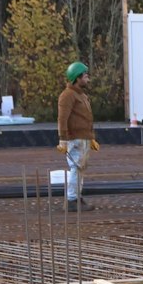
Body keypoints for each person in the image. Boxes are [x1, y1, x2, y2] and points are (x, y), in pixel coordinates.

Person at [57, 62, 97, 210]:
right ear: (76, 77)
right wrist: (63, 139)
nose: (87, 77)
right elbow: (62, 118)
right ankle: (72, 200)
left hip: (83, 139)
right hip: (74, 139)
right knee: (76, 168)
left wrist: (90, 138)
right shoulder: (67, 95)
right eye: (84, 75)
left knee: (80, 169)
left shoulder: (81, 95)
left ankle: (76, 198)